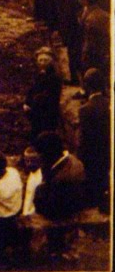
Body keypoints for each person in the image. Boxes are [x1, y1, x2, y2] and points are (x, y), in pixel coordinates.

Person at [77, 68, 110, 210]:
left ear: (87, 87)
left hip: (93, 153)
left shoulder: (85, 109)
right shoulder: (109, 103)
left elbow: (84, 139)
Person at [34, 131, 86, 219]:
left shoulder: (64, 178)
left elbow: (50, 210)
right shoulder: (71, 160)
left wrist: (40, 190)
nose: (38, 157)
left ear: (49, 153)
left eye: (41, 153)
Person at [23, 47, 62, 141]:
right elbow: (32, 90)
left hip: (47, 113)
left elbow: (50, 97)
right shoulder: (39, 75)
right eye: (40, 60)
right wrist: (27, 103)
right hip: (36, 111)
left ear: (51, 61)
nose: (42, 63)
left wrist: (34, 104)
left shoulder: (54, 78)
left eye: (45, 60)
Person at [21, 146, 43, 216]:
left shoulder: (41, 179)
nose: (29, 164)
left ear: (39, 160)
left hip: (32, 216)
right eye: (27, 161)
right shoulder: (32, 173)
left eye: (33, 161)